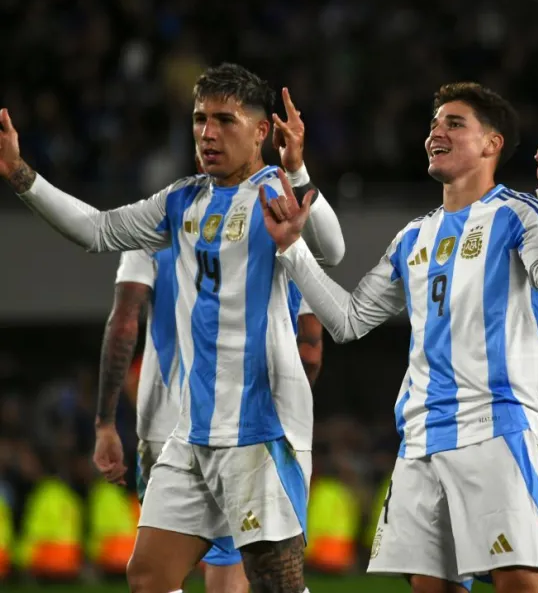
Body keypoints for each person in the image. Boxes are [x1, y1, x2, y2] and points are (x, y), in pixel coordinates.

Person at [0, 62, 345, 593]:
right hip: (192, 432)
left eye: (225, 120)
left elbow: (333, 249)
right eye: (199, 119)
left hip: (259, 433)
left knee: (273, 582)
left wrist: (297, 172)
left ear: (261, 132)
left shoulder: (274, 192)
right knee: (148, 577)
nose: (207, 133)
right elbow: (97, 230)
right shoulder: (180, 201)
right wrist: (24, 176)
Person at [258, 82, 538, 593]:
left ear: (491, 144)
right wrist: (293, 249)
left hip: (494, 425)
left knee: (520, 582)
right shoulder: (414, 235)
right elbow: (348, 320)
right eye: (435, 123)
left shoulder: (519, 214)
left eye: (455, 123)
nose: (437, 131)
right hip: (420, 438)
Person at [92, 239, 324, 593]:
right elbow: (310, 351)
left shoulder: (153, 230)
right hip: (247, 430)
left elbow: (124, 323)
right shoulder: (276, 237)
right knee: (242, 572)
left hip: (165, 432)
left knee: (154, 575)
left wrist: (105, 422)